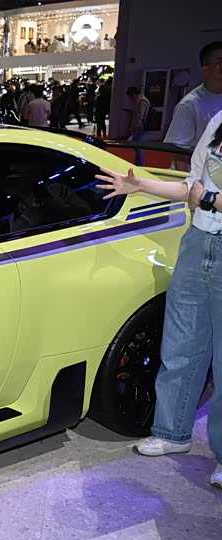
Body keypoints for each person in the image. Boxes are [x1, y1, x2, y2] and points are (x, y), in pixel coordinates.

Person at [96, 110, 222, 490]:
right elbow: (190, 186)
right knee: (181, 342)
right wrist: (139, 185)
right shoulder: (219, 119)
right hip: (198, 241)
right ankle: (172, 432)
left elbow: (202, 195)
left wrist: (210, 199)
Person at [164, 41, 222, 171]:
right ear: (206, 68)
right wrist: (186, 180)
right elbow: (179, 150)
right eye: (220, 62)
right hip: (197, 174)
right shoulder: (189, 105)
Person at [126, 86, 152, 166]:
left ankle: (139, 163)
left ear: (133, 94)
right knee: (138, 146)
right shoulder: (143, 100)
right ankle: (138, 162)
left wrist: (133, 128)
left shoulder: (141, 102)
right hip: (140, 127)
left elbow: (139, 116)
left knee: (138, 146)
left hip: (139, 127)